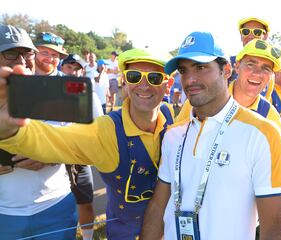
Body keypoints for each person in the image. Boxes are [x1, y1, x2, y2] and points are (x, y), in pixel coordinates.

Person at [0, 48, 174, 240]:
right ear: (124, 81)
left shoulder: (171, 116)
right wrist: (10, 130)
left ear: (169, 85)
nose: (143, 85)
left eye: (155, 78)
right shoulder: (107, 132)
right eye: (134, 76)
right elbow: (54, 140)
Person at [141, 31, 281, 240]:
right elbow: (158, 206)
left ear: (226, 70)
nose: (190, 79)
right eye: (183, 70)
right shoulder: (173, 135)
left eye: (201, 67)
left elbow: (275, 229)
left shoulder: (263, 134)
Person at [176, 39, 281, 189]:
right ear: (236, 67)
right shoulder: (203, 100)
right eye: (251, 64)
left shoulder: (268, 113)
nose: (257, 73)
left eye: (266, 68)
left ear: (271, 76)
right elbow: (175, 141)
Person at [0, 24, 77, 240]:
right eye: (10, 53)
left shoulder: (58, 92)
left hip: (54, 207)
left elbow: (81, 145)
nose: (22, 61)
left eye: (28, 53)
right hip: (4, 215)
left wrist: (50, 154)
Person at [61, 53, 103, 240]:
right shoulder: (48, 92)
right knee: (60, 205)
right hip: (55, 159)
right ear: (62, 68)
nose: (73, 71)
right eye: (69, 67)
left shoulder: (89, 95)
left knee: (86, 202)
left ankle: (87, 238)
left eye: (77, 68)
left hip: (79, 157)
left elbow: (99, 126)